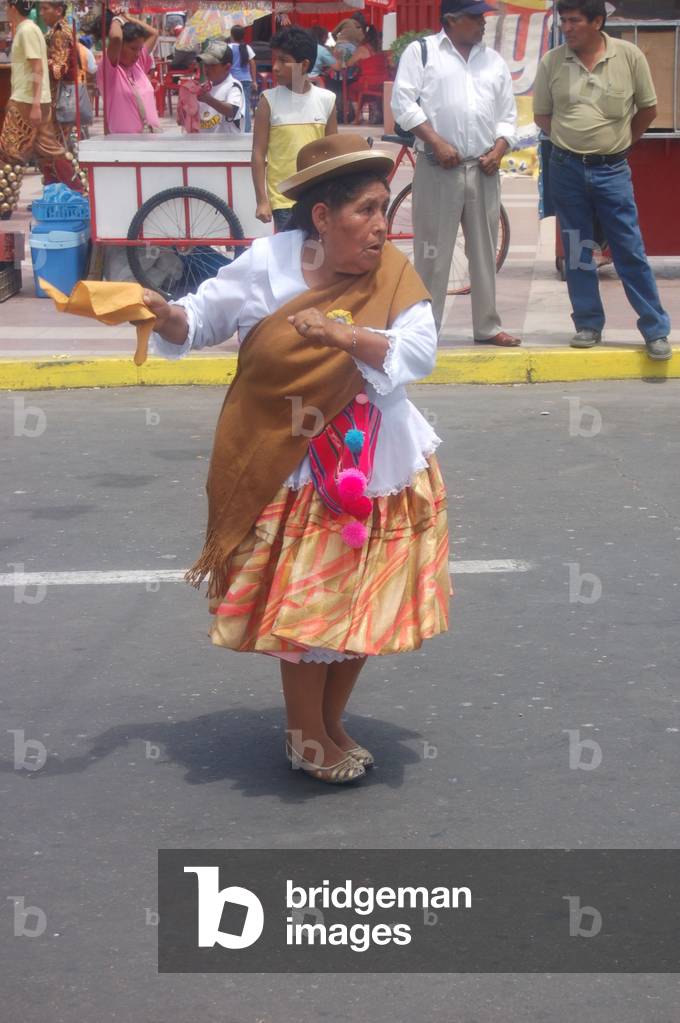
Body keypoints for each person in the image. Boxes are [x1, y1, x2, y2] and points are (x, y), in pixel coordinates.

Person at [143, 134, 450, 786]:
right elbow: (199, 319)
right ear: (322, 216)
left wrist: (345, 335)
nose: (381, 225)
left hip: (378, 466)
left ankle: (330, 723)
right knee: (313, 608)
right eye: (366, 210)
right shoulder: (267, 265)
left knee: (362, 602)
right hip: (299, 468)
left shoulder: (391, 271)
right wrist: (163, 315)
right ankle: (305, 734)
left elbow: (420, 351)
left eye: (383, 208)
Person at [533, 0, 672, 360]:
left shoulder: (628, 56)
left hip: (612, 169)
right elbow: (542, 115)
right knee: (577, 249)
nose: (567, 27)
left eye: (574, 21)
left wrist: (620, 145)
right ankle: (588, 324)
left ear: (597, 22)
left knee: (629, 248)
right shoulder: (552, 62)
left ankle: (655, 329)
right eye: (563, 21)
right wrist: (572, 142)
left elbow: (648, 110)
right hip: (566, 168)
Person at [391, 0, 520, 345]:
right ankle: (425, 330)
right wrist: (435, 142)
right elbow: (403, 104)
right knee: (432, 253)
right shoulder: (422, 53)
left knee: (484, 252)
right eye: (475, 17)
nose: (482, 23)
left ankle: (487, 326)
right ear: (451, 19)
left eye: (483, 17)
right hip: (438, 167)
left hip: (483, 167)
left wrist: (499, 150)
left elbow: (508, 115)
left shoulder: (493, 61)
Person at [0, 0, 84, 220]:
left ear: (12, 8)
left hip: (26, 100)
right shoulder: (34, 29)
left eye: (6, 6)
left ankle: (3, 204)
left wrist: (36, 103)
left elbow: (37, 67)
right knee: (51, 150)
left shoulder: (27, 31)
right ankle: (79, 190)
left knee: (9, 152)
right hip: (36, 99)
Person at [252, 26, 337, 233]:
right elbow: (258, 153)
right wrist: (262, 200)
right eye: (275, 59)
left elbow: (333, 151)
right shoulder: (268, 101)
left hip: (319, 198)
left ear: (304, 64)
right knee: (291, 251)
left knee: (317, 251)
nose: (275, 67)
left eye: (283, 60)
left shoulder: (326, 100)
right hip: (283, 200)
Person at [97, 11, 159, 134]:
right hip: (124, 142)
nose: (138, 54)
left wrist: (128, 17)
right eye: (133, 49)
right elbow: (116, 37)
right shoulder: (110, 70)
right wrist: (117, 19)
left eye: (140, 49)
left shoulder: (138, 63)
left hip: (151, 137)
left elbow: (154, 33)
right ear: (119, 47)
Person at [40, 1, 92, 147]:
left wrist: (40, 61)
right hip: (65, 89)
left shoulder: (60, 33)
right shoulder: (63, 29)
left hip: (60, 92)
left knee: (56, 140)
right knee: (61, 139)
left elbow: (59, 70)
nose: (41, 13)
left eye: (45, 9)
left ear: (58, 11)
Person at [196, 39, 244, 135]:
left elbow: (232, 111)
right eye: (205, 64)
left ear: (227, 67)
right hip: (205, 142)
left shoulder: (233, 86)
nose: (207, 68)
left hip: (227, 143)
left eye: (212, 65)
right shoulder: (204, 88)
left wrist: (208, 99)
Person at [229, 25, 256, 133]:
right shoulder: (247, 47)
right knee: (246, 106)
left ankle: (234, 128)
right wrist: (254, 80)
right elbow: (252, 63)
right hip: (246, 80)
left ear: (231, 35)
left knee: (232, 105)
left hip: (233, 81)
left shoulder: (229, 48)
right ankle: (247, 130)